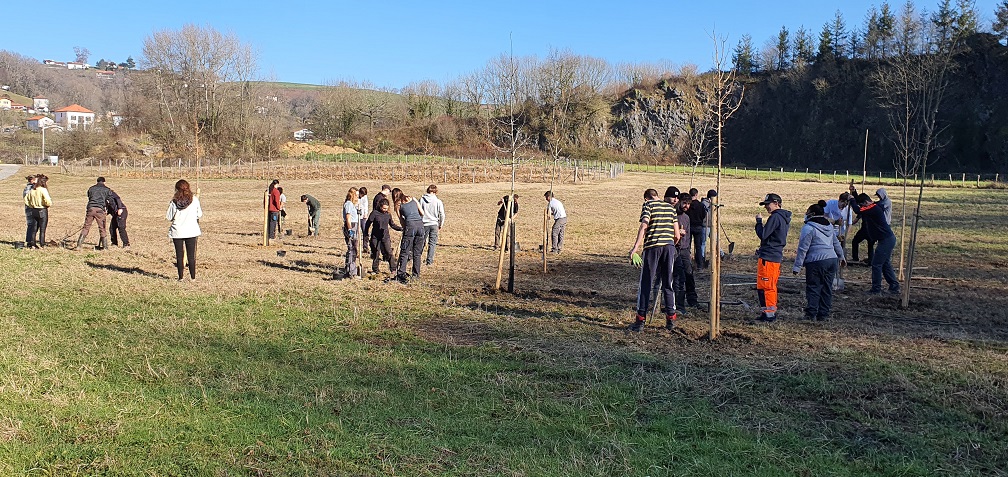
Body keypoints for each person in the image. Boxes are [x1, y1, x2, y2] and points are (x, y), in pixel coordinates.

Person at [627, 187, 682, 332]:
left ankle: (640, 321)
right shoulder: (671, 209)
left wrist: (635, 248)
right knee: (668, 283)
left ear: (646, 198)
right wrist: (669, 245)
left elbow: (644, 226)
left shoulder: (648, 205)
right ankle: (671, 320)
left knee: (646, 283)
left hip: (652, 247)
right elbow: (677, 235)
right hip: (669, 248)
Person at [793, 201, 846, 321]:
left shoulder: (808, 228)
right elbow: (836, 243)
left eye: (807, 212)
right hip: (832, 260)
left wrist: (797, 266)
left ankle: (811, 313)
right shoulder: (829, 226)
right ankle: (823, 314)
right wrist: (841, 257)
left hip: (816, 261)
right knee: (827, 288)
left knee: (813, 287)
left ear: (811, 214)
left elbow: (803, 248)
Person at [849, 188, 900, 295]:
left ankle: (876, 289)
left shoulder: (873, 208)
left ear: (866, 203)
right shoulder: (872, 206)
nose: (862, 207)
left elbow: (857, 210)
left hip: (886, 240)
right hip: (885, 239)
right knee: (885, 263)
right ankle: (894, 286)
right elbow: (860, 202)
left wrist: (852, 200)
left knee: (876, 264)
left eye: (863, 205)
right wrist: (854, 193)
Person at [754, 192, 792, 322]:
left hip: (769, 257)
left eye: (767, 204)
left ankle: (769, 314)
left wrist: (759, 223)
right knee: (766, 285)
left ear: (776, 203)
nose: (766, 207)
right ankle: (767, 312)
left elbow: (764, 234)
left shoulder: (775, 217)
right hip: (773, 256)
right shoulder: (782, 218)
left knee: (767, 286)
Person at [166, 179, 202, 281]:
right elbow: (199, 214)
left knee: (179, 255)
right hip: (191, 230)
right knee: (191, 256)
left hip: (177, 231)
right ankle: (193, 278)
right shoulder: (194, 200)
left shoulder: (174, 202)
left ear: (177, 189)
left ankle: (181, 277)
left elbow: (169, 217)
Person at [674, 192, 700, 309]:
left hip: (685, 250)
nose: (686, 206)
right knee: (678, 277)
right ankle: (678, 304)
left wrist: (689, 252)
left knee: (689, 275)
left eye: (689, 204)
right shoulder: (672, 215)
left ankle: (692, 300)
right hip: (674, 250)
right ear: (679, 201)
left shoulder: (687, 218)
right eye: (684, 203)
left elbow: (688, 237)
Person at [393, 190, 426, 282]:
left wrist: (405, 227)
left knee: (405, 251)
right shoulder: (413, 198)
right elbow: (422, 213)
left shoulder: (398, 205)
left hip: (410, 227)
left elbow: (401, 220)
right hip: (420, 226)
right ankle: (416, 275)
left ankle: (401, 273)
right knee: (417, 253)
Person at [363, 197, 402, 274]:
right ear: (380, 206)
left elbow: (392, 225)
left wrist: (400, 228)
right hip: (375, 236)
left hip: (385, 236)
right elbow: (368, 224)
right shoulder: (374, 213)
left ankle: (393, 269)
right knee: (376, 253)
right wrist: (366, 234)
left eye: (386, 208)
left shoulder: (388, 214)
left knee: (389, 252)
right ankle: (375, 269)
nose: (385, 210)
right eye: (384, 208)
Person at [76, 177, 113, 250]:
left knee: (86, 227)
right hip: (100, 210)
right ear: (104, 182)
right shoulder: (107, 190)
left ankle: (79, 245)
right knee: (102, 228)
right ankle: (105, 247)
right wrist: (107, 208)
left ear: (97, 181)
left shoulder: (91, 188)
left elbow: (89, 197)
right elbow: (110, 201)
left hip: (90, 209)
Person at [420, 184, 446, 265]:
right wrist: (440, 224)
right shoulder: (438, 201)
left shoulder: (421, 199)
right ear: (436, 192)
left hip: (424, 223)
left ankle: (417, 258)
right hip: (434, 224)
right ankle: (429, 261)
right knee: (432, 243)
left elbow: (418, 211)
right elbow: (442, 214)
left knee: (421, 242)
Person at [24, 175, 52, 249]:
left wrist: (31, 205)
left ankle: (32, 244)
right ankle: (42, 244)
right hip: (42, 210)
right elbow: (48, 201)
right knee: (42, 229)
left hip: (34, 210)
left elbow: (26, 199)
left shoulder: (32, 190)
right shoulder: (43, 190)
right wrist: (47, 205)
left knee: (34, 228)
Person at [342, 187, 360, 279]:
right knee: (352, 249)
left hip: (354, 225)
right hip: (351, 226)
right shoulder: (348, 204)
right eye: (356, 195)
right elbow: (348, 217)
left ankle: (351, 270)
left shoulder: (352, 204)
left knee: (354, 249)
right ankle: (351, 272)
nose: (357, 197)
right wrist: (350, 229)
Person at [686, 188, 707, 270]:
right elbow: (703, 215)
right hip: (698, 227)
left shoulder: (688, 205)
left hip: (689, 226)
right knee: (698, 246)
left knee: (687, 246)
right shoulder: (701, 205)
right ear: (696, 194)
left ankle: (688, 264)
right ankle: (700, 265)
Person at [699, 189, 717, 267]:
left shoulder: (712, 203)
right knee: (703, 243)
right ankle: (702, 258)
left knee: (715, 241)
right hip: (705, 226)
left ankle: (721, 254)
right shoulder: (704, 204)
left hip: (712, 225)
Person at [358, 186, 370, 253]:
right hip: (356, 217)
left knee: (365, 231)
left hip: (363, 217)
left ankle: (365, 247)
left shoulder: (365, 197)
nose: (362, 196)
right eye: (362, 195)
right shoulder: (356, 196)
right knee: (357, 233)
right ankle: (356, 247)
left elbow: (366, 205)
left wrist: (365, 213)